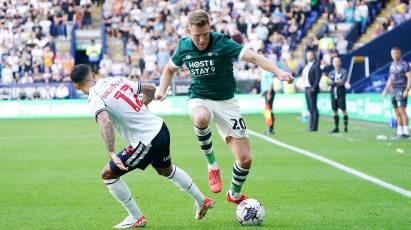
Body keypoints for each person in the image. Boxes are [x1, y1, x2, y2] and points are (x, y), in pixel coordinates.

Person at [155, 10, 293, 204]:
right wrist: (162, 89)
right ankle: (212, 165)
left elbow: (254, 58)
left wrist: (279, 72)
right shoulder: (183, 46)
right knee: (201, 118)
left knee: (245, 160)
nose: (202, 40)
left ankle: (234, 194)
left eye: (205, 34)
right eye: (197, 36)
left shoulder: (223, 42)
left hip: (227, 102)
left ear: (210, 28)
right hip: (199, 97)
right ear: (188, 31)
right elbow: (169, 69)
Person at [70, 64, 214, 228]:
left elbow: (104, 121)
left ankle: (135, 217)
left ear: (76, 85)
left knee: (108, 174)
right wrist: (142, 107)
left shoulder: (94, 97)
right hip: (160, 128)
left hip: (146, 140)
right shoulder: (114, 81)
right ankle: (202, 201)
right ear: (93, 75)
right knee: (165, 170)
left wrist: (111, 151)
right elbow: (151, 88)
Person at [382, 47, 411, 139]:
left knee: (402, 110)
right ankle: (400, 132)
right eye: (392, 54)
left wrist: (407, 89)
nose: (394, 55)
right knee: (396, 111)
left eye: (396, 53)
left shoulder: (405, 64)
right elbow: (391, 78)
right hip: (393, 90)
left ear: (399, 54)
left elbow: (410, 78)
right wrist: (386, 90)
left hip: (401, 89)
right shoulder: (392, 65)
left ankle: (406, 133)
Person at [327, 57, 349, 133]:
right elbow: (329, 82)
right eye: (334, 62)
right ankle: (336, 127)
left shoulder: (344, 71)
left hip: (341, 93)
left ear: (340, 62)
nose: (335, 63)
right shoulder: (331, 73)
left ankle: (346, 127)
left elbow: (343, 81)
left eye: (337, 61)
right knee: (334, 110)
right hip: (333, 93)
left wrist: (334, 82)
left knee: (343, 110)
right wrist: (335, 82)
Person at [302, 50, 321, 132]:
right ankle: (311, 126)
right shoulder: (307, 66)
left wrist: (314, 87)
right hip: (306, 88)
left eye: (310, 55)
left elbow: (317, 78)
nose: (308, 57)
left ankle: (314, 127)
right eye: (307, 55)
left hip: (311, 88)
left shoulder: (316, 65)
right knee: (310, 108)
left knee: (313, 108)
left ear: (313, 56)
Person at [261, 69, 275, 134]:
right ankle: (270, 128)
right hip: (266, 92)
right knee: (268, 110)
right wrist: (263, 92)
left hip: (269, 92)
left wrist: (269, 93)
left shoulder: (268, 71)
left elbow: (271, 83)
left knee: (268, 110)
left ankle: (270, 129)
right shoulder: (264, 71)